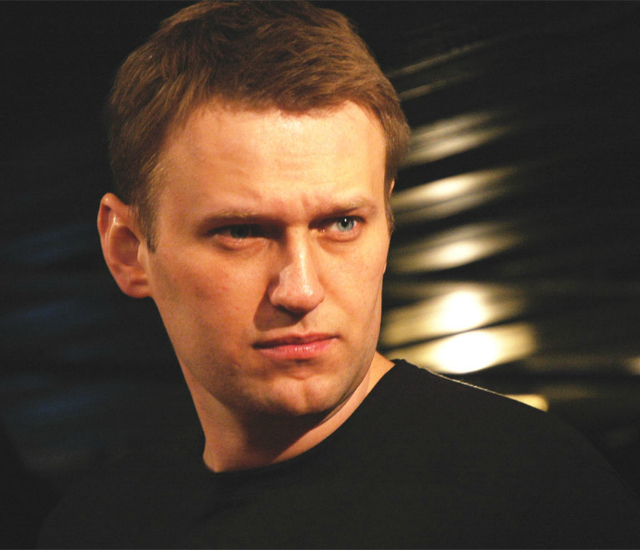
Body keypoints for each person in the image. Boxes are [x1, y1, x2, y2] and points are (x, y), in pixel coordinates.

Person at [38, 2, 640, 548]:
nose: (301, 289)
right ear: (127, 249)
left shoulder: (535, 494)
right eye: (242, 231)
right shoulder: (95, 527)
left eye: (342, 223)